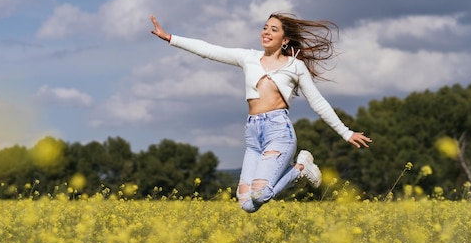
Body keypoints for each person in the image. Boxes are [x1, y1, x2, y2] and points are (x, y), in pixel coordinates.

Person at [150, 13, 371, 213]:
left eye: (274, 29)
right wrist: (170, 38)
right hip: (253, 134)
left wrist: (346, 132)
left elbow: (318, 102)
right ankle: (298, 168)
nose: (266, 32)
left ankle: (300, 168)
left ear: (285, 40)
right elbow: (210, 50)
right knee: (247, 204)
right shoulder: (248, 58)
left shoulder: (295, 67)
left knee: (262, 193)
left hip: (278, 132)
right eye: (265, 27)